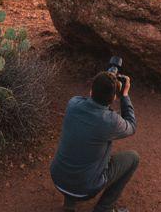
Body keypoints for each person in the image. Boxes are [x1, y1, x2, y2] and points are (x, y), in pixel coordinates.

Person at [50, 70, 139, 212]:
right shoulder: (111, 121)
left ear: (91, 90)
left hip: (58, 179)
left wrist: (103, 82)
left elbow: (90, 101)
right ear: (114, 97)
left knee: (79, 145)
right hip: (85, 189)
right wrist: (125, 95)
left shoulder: (73, 104)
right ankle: (104, 208)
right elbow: (132, 126)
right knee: (133, 158)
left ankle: (69, 204)